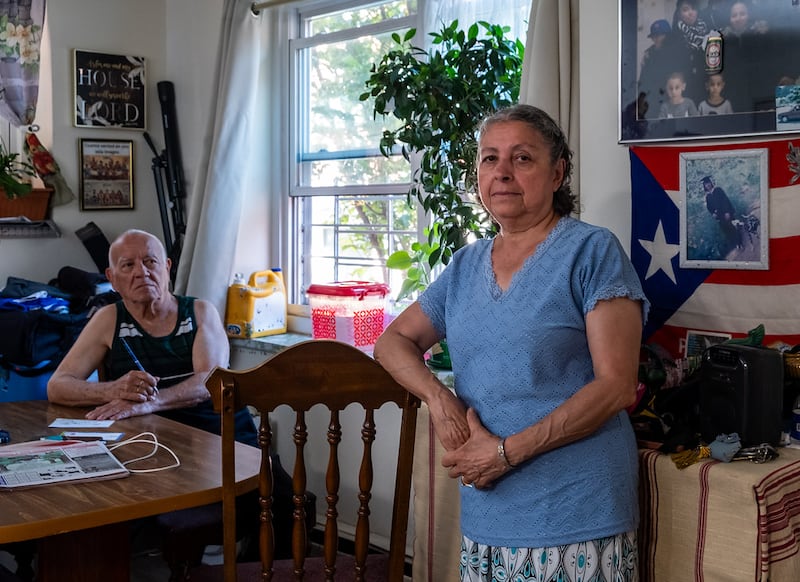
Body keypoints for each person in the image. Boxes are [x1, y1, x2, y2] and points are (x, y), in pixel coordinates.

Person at [374, 104, 648, 582]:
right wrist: (438, 399)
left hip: (576, 512)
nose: (501, 172)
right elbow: (392, 341)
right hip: (488, 513)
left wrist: (504, 453)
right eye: (488, 158)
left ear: (558, 171)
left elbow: (617, 386)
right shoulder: (463, 266)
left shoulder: (592, 251)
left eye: (522, 158)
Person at [47, 228, 257, 444]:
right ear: (113, 278)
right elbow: (57, 386)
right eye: (128, 265)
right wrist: (113, 389)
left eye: (150, 262)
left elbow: (210, 381)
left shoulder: (199, 312)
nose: (141, 272)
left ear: (166, 268)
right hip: (153, 438)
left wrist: (150, 402)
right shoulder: (108, 319)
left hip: (218, 437)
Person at [702, 175, 742, 252]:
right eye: (706, 184)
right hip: (719, 217)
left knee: (733, 226)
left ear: (711, 183)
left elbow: (725, 200)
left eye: (708, 183)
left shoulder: (718, 190)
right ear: (704, 186)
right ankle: (735, 245)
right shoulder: (708, 197)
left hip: (726, 212)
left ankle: (739, 243)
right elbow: (709, 207)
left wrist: (727, 212)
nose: (708, 185)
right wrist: (713, 213)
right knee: (727, 231)